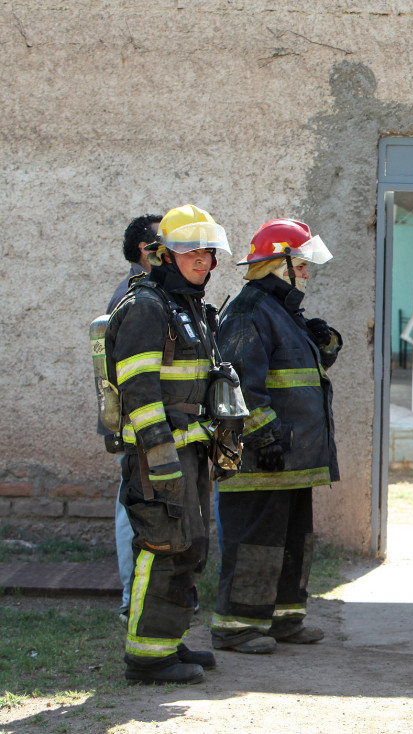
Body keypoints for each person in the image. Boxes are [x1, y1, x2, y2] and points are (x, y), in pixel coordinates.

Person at [107, 204, 231, 683]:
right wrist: (159, 456)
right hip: (159, 453)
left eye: (209, 252)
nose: (205, 261)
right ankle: (145, 657)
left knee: (190, 545)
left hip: (191, 449)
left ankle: (167, 639)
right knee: (162, 544)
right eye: (192, 251)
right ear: (163, 254)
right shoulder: (146, 307)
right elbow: (139, 390)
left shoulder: (189, 307)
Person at [211, 219, 342, 654]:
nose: (306, 273)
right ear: (278, 264)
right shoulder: (250, 311)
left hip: (293, 459)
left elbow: (298, 376)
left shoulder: (282, 311)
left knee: (293, 541)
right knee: (255, 542)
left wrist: (324, 344)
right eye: (300, 265)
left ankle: (285, 618)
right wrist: (261, 438)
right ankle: (236, 626)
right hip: (263, 457)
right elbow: (241, 385)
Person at [103, 213, 160, 622]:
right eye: (166, 241)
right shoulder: (133, 294)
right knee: (133, 506)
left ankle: (146, 596)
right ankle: (131, 600)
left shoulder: (152, 290)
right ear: (145, 249)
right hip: (137, 424)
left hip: (146, 422)